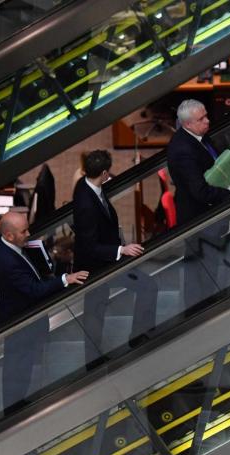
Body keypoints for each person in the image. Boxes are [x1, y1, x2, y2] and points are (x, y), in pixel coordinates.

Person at [0, 211, 86, 411]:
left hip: (16, 315)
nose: (28, 233)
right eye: (23, 231)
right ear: (9, 236)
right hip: (19, 320)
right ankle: (13, 409)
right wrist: (64, 279)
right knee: (18, 366)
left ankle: (16, 402)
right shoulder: (7, 262)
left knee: (20, 365)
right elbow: (33, 290)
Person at [72, 150, 159, 364]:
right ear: (102, 173)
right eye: (107, 174)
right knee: (96, 310)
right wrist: (121, 250)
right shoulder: (86, 203)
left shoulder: (86, 186)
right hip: (98, 265)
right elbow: (89, 246)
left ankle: (130, 340)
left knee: (98, 309)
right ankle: (96, 359)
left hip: (106, 259)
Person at [166, 99, 230, 311]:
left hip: (207, 213)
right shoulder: (183, 151)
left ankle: (206, 301)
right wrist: (229, 192)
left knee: (207, 262)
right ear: (187, 124)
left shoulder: (198, 137)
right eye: (201, 119)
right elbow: (200, 191)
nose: (208, 121)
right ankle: (200, 309)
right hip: (199, 217)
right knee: (200, 265)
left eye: (206, 115)